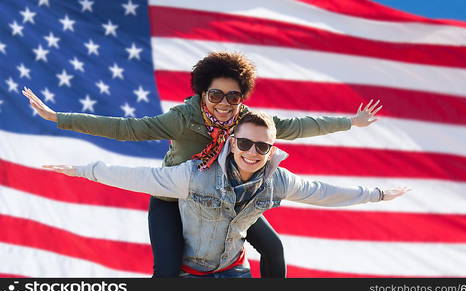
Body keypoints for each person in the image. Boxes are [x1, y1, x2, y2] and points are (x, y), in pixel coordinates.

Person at [22, 51, 383, 278]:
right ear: (201, 94)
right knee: (166, 271)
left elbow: (298, 126)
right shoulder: (183, 118)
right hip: (175, 194)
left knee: (273, 248)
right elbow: (129, 129)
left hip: (226, 198)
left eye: (233, 96)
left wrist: (350, 122)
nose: (224, 103)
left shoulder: (247, 121)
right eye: (215, 95)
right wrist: (60, 117)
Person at [44, 111, 409, 278]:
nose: (252, 152)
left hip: (233, 270)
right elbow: (139, 175)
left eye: (262, 147)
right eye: (245, 144)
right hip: (189, 271)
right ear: (232, 143)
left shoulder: (277, 180)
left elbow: (322, 192)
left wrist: (376, 194)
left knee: (274, 247)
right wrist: (83, 170)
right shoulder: (194, 175)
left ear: (271, 149)